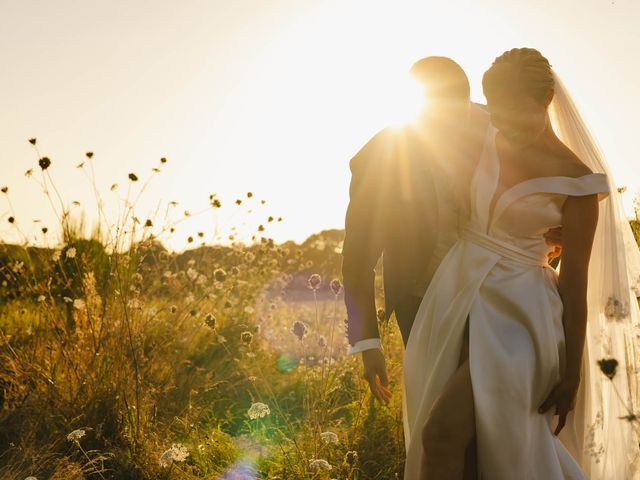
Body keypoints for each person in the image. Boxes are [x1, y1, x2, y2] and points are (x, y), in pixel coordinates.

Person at [402, 47, 640, 480]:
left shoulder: (579, 184)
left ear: (546, 100)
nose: (506, 124)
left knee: (441, 436)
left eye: (518, 113)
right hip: (457, 296)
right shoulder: (482, 133)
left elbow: (574, 282)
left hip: (521, 317)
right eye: (498, 112)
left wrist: (572, 374)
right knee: (467, 447)